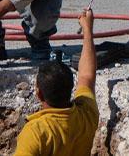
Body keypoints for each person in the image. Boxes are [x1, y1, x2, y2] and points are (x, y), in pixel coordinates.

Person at [14, 10, 98, 156]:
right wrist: (88, 30)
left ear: (39, 93)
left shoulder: (35, 132)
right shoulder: (87, 114)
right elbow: (87, 75)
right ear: (71, 89)